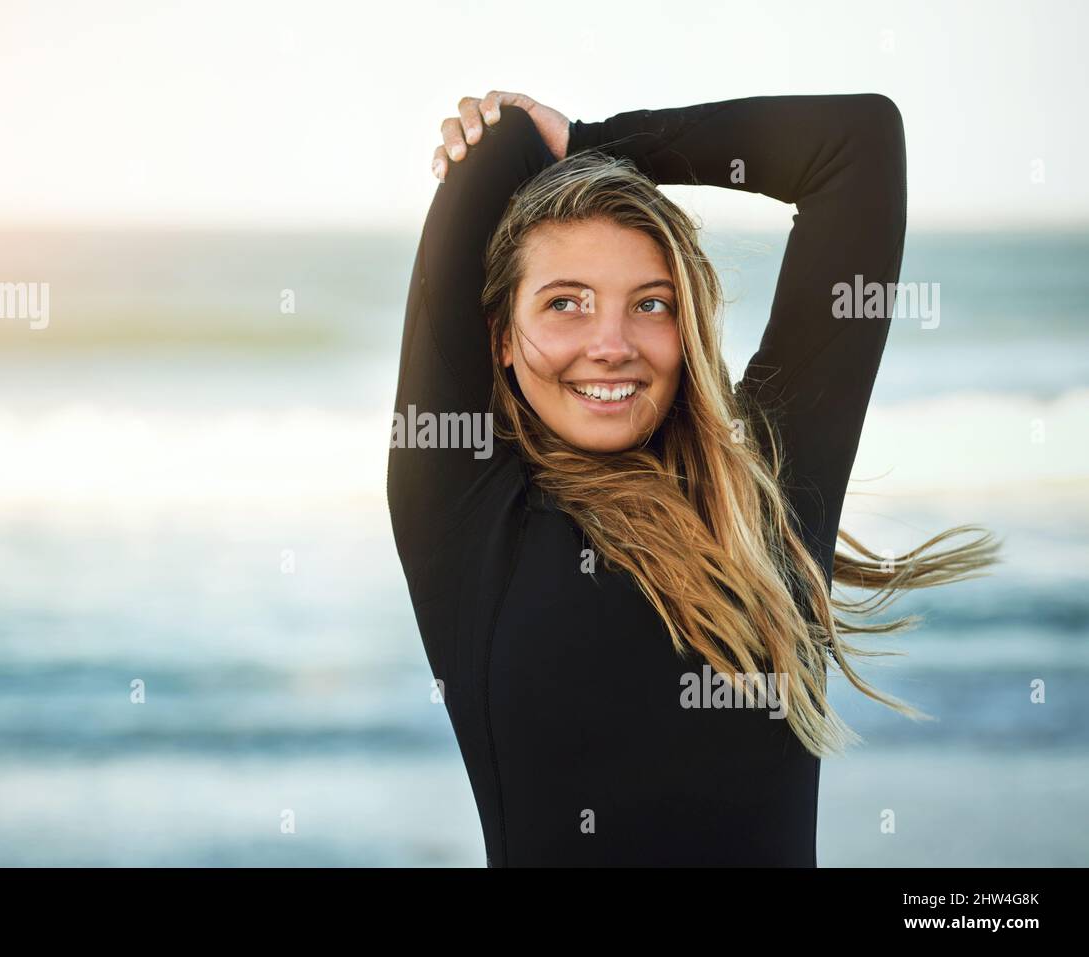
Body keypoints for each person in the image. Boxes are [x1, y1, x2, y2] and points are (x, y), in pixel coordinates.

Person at [387, 91, 1000, 867]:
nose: (611, 344)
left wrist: (592, 140)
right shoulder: (463, 510)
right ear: (501, 338)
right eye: (565, 303)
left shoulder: (765, 493)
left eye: (651, 304)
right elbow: (498, 146)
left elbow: (859, 143)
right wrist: (536, 144)